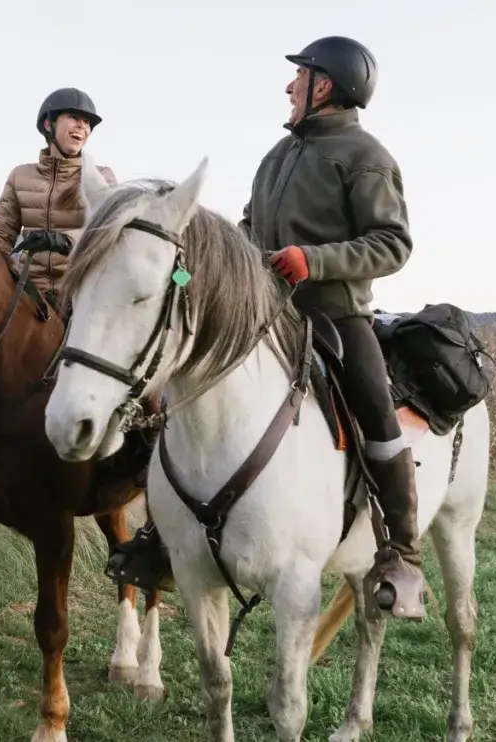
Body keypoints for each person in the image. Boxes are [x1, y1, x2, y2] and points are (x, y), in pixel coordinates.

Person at [108, 36, 425, 621]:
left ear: (323, 85)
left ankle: (400, 553)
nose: (289, 86)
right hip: (264, 312)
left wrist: (316, 261)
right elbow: (251, 230)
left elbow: (393, 243)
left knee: (377, 408)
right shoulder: (277, 157)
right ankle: (161, 535)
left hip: (337, 315)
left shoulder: (367, 156)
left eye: (298, 77)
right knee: (181, 391)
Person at [0, 87, 118, 310]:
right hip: (28, 291)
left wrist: (64, 240)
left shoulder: (102, 176)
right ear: (49, 125)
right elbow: (0, 235)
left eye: (87, 123)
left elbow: (110, 229)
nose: (82, 126)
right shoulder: (20, 175)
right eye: (74, 118)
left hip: (79, 293)